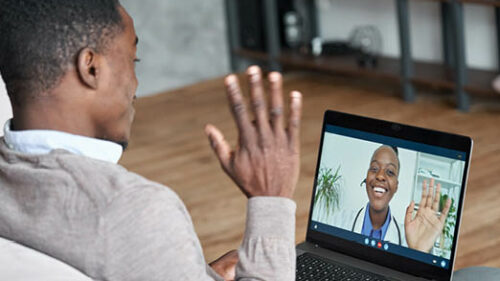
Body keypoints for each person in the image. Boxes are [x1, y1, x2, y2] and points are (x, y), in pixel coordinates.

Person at [0, 0, 302, 280]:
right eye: (134, 59)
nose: (136, 84)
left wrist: (191, 270)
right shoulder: (132, 211)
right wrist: (271, 197)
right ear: (90, 68)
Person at [331, 145, 451, 253]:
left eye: (390, 172)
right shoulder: (339, 221)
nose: (380, 176)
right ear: (366, 178)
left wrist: (419, 252)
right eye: (374, 168)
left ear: (396, 186)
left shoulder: (408, 239)